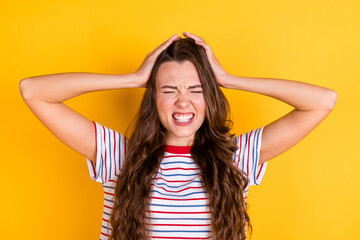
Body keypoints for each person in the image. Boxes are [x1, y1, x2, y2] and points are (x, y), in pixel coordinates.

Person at [19, 32, 337, 240]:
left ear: (209, 96)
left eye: (196, 90)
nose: (183, 101)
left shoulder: (236, 155)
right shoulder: (118, 154)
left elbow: (323, 102)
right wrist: (132, 78)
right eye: (169, 90)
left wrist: (229, 79)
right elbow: (33, 92)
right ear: (153, 98)